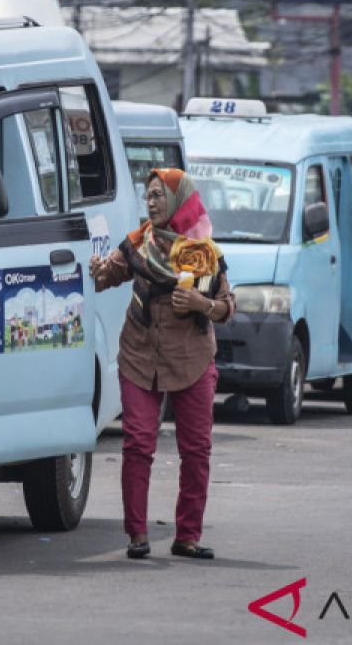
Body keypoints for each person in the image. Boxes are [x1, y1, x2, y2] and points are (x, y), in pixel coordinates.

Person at [90, 168, 234, 560]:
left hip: (192, 358)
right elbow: (111, 273)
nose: (151, 203)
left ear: (177, 201)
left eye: (158, 196)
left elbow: (227, 306)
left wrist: (201, 304)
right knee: (137, 444)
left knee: (196, 449)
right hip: (140, 355)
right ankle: (137, 536)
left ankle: (187, 536)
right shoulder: (140, 242)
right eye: (148, 196)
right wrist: (99, 272)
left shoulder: (204, 250)